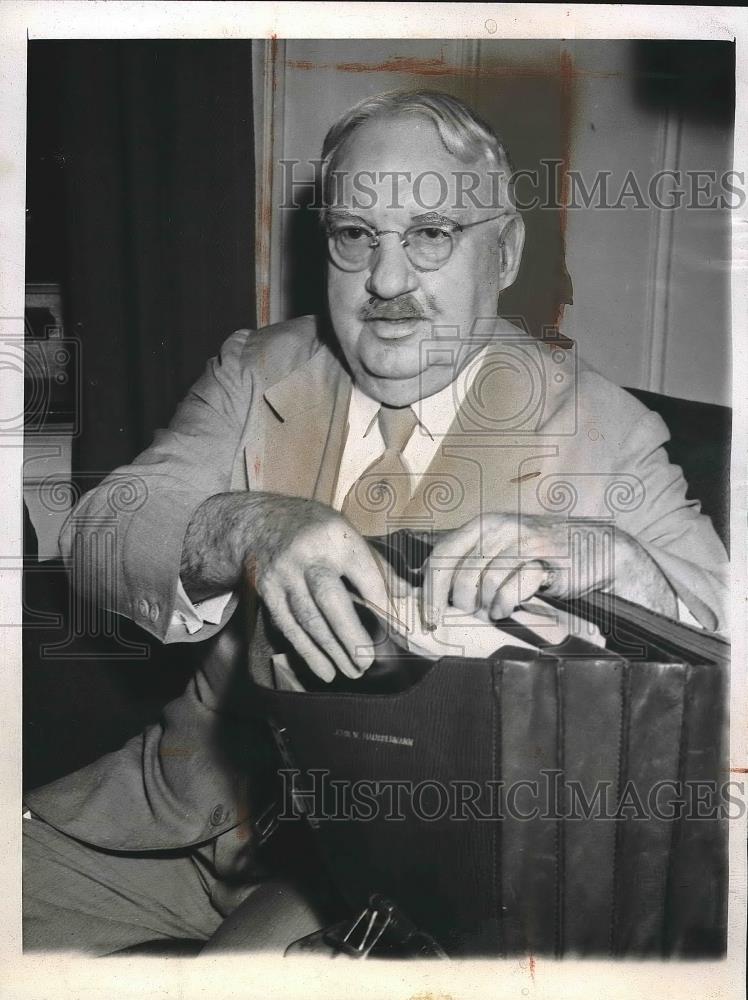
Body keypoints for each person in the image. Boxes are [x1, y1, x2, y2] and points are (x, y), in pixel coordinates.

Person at [23, 90, 728, 954]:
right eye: (356, 236)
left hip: (397, 868)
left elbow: (725, 633)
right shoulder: (256, 370)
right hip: (173, 817)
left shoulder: (603, 429)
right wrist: (245, 526)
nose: (386, 281)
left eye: (431, 234)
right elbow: (100, 532)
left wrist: (617, 559)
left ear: (502, 252)